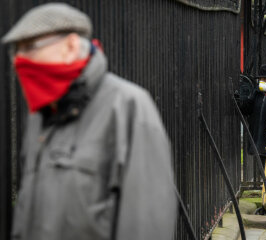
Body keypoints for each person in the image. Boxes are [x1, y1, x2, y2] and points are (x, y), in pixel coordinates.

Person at [2, 3, 177, 240]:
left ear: (71, 46)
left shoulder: (128, 107)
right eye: (16, 52)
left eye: (29, 48)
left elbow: (145, 225)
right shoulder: (40, 115)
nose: (18, 62)